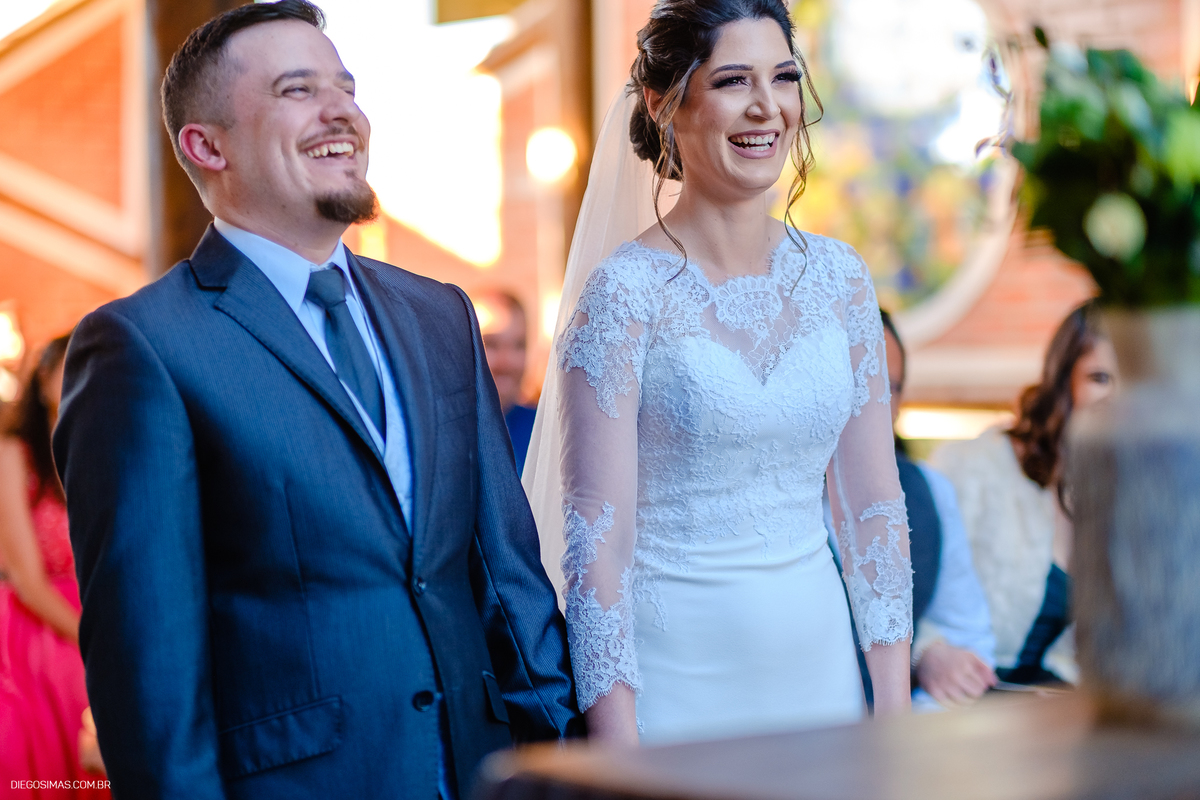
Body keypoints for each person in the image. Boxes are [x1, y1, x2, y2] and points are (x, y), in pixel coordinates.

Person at [51, 3, 578, 798]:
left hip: (483, 773)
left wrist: (564, 759)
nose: (344, 112)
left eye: (348, 87)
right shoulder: (142, 348)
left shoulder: (440, 315)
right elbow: (149, 669)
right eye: (299, 90)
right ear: (207, 145)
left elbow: (507, 578)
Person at [525, 0, 913, 746]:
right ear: (665, 104)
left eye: (784, 77)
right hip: (677, 684)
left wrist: (893, 718)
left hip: (821, 674)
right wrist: (620, 748)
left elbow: (874, 511)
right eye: (734, 80)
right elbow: (596, 546)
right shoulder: (625, 294)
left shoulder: (841, 280)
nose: (766, 106)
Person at [930, 302, 1117, 685]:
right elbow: (895, 589)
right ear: (1064, 383)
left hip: (1054, 722)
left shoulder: (1135, 495)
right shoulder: (973, 467)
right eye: (1100, 378)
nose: (1119, 398)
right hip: (957, 708)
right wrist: (928, 654)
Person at [0, 334, 110, 798]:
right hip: (34, 619)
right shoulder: (12, 455)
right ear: (44, 379)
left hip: (96, 613)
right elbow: (27, 580)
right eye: (69, 365)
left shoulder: (102, 459)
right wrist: (94, 641)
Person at [879, 312, 996, 708]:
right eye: (860, 381)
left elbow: (970, 643)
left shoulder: (929, 493)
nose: (878, 403)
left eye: (891, 387)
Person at [473, 290, 537, 474]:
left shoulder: (543, 429)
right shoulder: (441, 433)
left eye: (518, 345)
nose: (506, 362)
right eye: (491, 344)